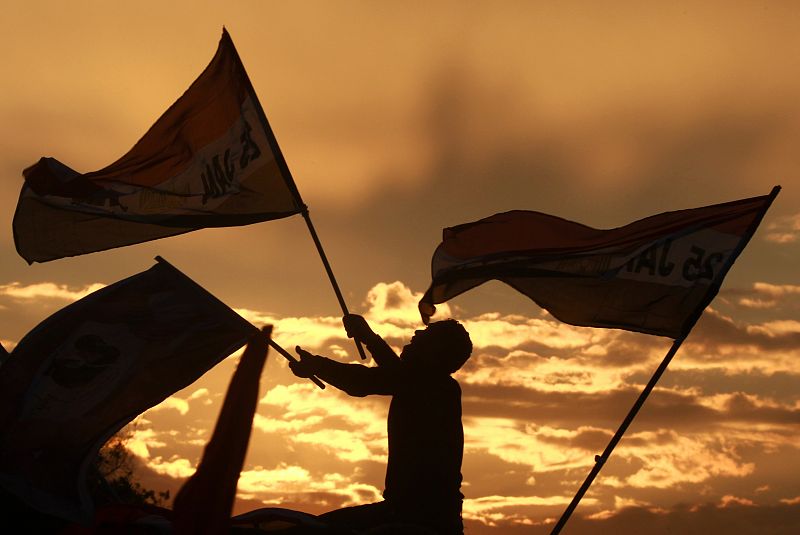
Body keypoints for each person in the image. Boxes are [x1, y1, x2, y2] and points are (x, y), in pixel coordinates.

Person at [290, 314, 472, 535]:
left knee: (310, 529)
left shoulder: (433, 387)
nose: (417, 333)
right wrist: (367, 337)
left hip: (416, 518)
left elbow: (370, 380)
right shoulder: (434, 386)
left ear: (435, 353)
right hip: (421, 515)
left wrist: (318, 364)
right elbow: (396, 373)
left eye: (427, 334)